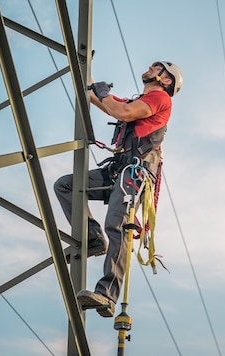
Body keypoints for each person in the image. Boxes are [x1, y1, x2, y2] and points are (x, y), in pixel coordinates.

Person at [54, 61, 183, 317]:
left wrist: (103, 93)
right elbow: (98, 99)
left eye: (158, 67)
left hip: (134, 174)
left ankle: (107, 294)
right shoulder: (140, 99)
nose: (151, 66)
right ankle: (93, 238)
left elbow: (122, 112)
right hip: (118, 170)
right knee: (66, 185)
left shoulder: (159, 98)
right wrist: (85, 70)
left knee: (118, 225)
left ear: (166, 80)